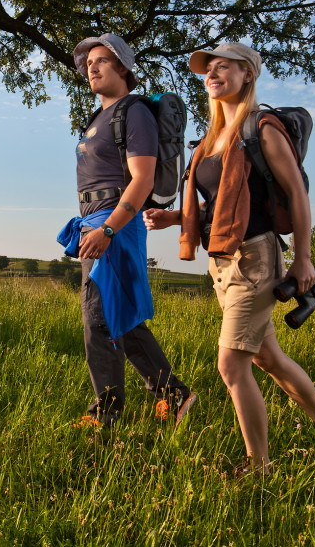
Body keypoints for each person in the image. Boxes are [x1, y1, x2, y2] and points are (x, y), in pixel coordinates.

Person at [143, 42, 315, 477]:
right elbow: (220, 203)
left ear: (248, 76)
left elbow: (297, 192)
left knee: (231, 363)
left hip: (256, 258)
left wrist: (303, 258)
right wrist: (173, 218)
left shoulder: (263, 127)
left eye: (224, 68)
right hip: (222, 263)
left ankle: (258, 467)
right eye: (209, 70)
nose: (213, 74)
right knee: (267, 358)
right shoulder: (208, 141)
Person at [58, 33, 196, 429]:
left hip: (113, 221)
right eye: (88, 63)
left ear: (123, 68)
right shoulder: (98, 117)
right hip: (94, 219)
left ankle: (107, 415)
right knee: (115, 315)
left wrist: (110, 230)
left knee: (99, 315)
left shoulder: (133, 112)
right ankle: (174, 395)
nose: (92, 67)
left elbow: (142, 179)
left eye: (101, 60)